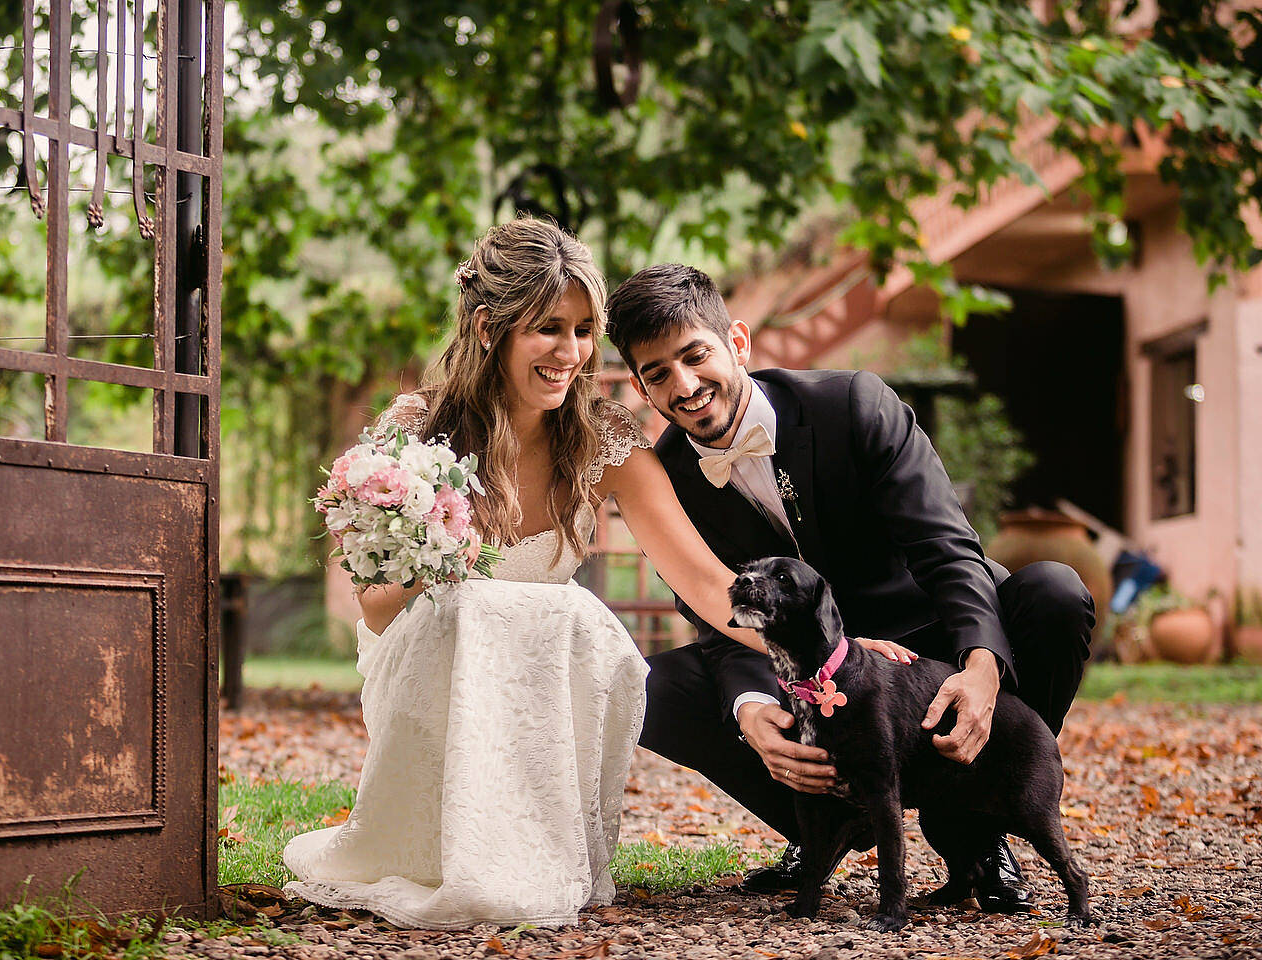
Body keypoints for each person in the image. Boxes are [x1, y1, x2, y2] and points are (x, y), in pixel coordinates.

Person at [279, 218, 917, 929]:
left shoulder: (604, 439)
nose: (572, 352)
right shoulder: (415, 433)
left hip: (539, 682)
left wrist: (834, 655)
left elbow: (706, 584)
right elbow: (374, 608)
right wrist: (439, 549)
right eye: (549, 329)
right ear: (489, 329)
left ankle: (533, 849)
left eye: (584, 331)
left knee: (577, 620)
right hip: (430, 664)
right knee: (508, 610)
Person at [605, 263, 1095, 913]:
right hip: (808, 674)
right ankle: (828, 822)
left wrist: (981, 668)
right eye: (658, 374)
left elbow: (948, 548)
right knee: (656, 686)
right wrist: (752, 710)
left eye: (695, 357)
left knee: (1055, 594)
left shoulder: (854, 404)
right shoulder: (665, 477)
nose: (685, 386)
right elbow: (718, 619)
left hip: (924, 646)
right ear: (641, 386)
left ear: (738, 343)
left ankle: (977, 817)